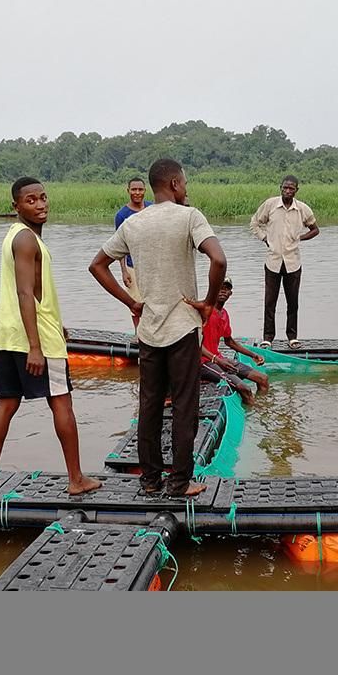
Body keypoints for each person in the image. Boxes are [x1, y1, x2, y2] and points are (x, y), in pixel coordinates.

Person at [89, 158, 227, 497]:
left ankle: (150, 480)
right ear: (176, 183)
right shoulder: (190, 217)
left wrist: (130, 302)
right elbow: (219, 259)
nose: (186, 189)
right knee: (184, 405)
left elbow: (97, 265)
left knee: (149, 404)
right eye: (185, 183)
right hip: (182, 328)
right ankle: (179, 481)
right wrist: (209, 302)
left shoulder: (134, 224)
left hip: (148, 328)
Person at [0, 177, 101, 498]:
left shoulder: (16, 237)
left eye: (43, 198)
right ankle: (76, 479)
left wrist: (55, 321)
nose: (40, 204)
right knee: (62, 402)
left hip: (8, 335)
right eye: (31, 200)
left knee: (7, 403)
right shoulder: (27, 241)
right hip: (35, 341)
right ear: (16, 206)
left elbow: (34, 291)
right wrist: (36, 345)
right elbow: (23, 292)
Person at [250, 175, 319, 349]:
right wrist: (265, 238)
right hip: (273, 260)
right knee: (270, 301)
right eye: (285, 188)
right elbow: (255, 223)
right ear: (280, 187)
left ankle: (292, 337)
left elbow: (315, 229)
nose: (288, 191)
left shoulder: (302, 209)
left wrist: (300, 238)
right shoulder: (271, 205)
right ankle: (268, 337)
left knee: (293, 301)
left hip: (293, 261)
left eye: (291, 188)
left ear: (297, 190)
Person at [200, 276, 268, 405]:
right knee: (245, 389)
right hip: (203, 363)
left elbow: (229, 341)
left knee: (263, 379)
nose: (223, 291)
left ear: (230, 293)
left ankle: (262, 409)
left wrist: (253, 355)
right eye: (219, 288)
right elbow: (194, 343)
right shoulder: (204, 310)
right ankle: (253, 413)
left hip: (219, 359)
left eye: (226, 289)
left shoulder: (224, 314)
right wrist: (217, 360)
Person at [115, 178, 152, 337]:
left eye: (140, 190)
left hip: (152, 264)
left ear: (145, 191)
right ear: (128, 191)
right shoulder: (122, 215)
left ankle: (152, 331)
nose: (137, 193)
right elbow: (118, 246)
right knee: (136, 301)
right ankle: (138, 333)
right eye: (134, 189)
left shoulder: (152, 208)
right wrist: (124, 271)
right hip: (132, 265)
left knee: (152, 300)